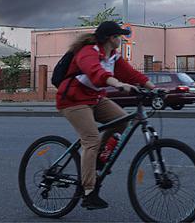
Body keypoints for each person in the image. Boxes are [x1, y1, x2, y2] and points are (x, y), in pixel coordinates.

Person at [56, 21, 157, 210]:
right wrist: (117, 84)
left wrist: (155, 89)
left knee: (123, 121)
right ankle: (88, 192)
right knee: (91, 139)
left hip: (95, 98)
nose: (122, 38)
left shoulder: (113, 57)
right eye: (119, 36)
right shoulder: (88, 51)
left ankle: (98, 159)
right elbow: (96, 73)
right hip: (73, 99)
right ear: (111, 38)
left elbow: (133, 74)